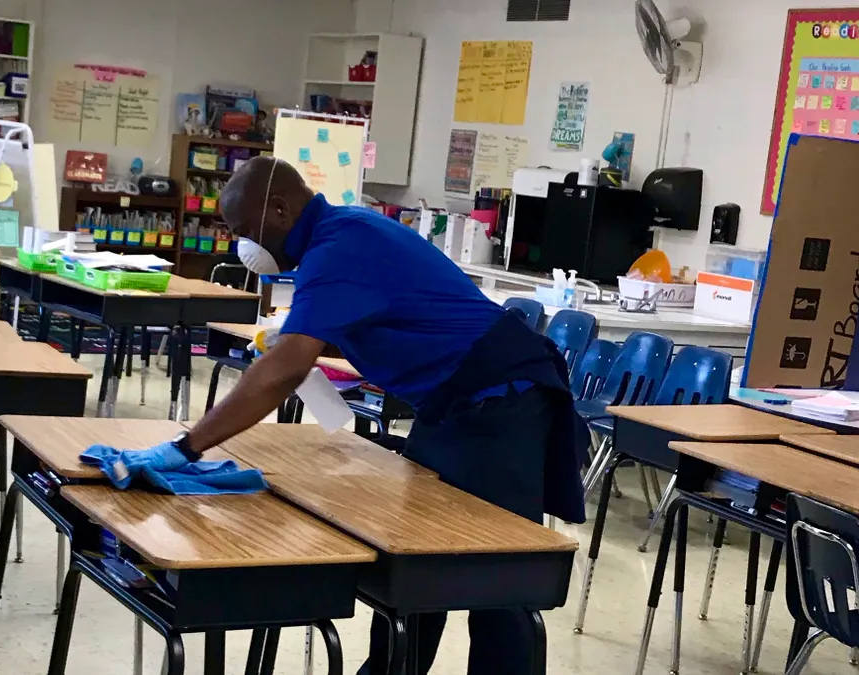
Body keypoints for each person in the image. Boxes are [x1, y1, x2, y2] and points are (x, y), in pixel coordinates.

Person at [155, 156, 587, 675]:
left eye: (245, 231)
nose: (243, 245)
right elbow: (350, 331)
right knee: (416, 559)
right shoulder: (337, 236)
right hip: (453, 402)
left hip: (502, 400)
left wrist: (187, 446)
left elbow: (284, 371)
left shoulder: (338, 247)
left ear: (280, 209)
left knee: (497, 574)